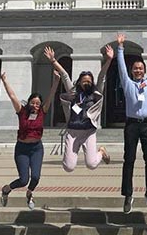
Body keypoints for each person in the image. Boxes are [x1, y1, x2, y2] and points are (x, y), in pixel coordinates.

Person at [44, 44, 113, 172]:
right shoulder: (73, 92)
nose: (86, 82)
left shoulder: (96, 93)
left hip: (89, 132)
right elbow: (64, 75)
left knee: (91, 164)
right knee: (68, 167)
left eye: (89, 81)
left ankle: (101, 152)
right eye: (84, 80)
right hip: (73, 131)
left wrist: (108, 60)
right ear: (79, 82)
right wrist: (53, 61)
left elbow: (102, 76)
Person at [0, 69, 60, 210]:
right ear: (29, 103)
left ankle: (30, 193)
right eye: (33, 103)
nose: (35, 106)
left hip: (36, 148)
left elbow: (51, 96)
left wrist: (56, 81)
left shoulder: (42, 112)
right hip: (22, 149)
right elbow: (13, 96)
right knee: (23, 179)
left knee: (36, 177)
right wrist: (5, 81)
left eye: (38, 104)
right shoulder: (22, 112)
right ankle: (6, 189)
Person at [117, 33, 147, 213]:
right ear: (132, 70)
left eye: (141, 68)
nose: (138, 70)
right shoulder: (128, 84)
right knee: (129, 159)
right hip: (132, 125)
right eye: (135, 68)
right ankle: (128, 194)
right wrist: (120, 48)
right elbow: (121, 69)